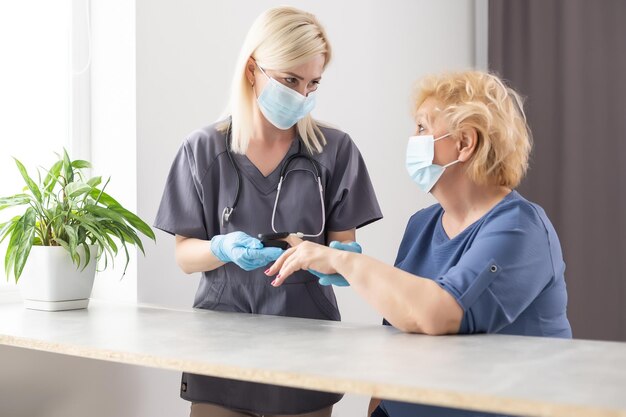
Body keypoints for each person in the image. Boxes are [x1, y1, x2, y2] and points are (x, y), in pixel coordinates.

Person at [267, 71, 572, 417]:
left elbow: (437, 314)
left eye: (423, 128)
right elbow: (399, 331)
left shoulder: (520, 228)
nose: (412, 139)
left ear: (465, 143)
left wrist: (344, 263)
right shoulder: (422, 225)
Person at [154, 6, 382, 417]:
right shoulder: (203, 150)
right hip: (220, 346)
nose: (301, 95)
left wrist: (334, 262)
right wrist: (222, 248)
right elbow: (184, 254)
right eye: (290, 80)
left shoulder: (335, 151)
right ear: (252, 71)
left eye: (313, 83)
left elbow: (345, 251)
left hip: (306, 344)